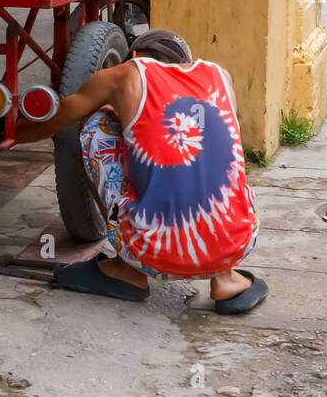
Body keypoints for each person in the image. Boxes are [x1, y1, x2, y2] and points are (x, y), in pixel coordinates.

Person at [14, 29, 268, 312]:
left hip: (148, 255)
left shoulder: (123, 76)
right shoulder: (219, 75)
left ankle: (126, 270)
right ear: (185, 62)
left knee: (99, 124)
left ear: (133, 56)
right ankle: (226, 279)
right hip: (239, 241)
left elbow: (53, 120)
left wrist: (9, 133)